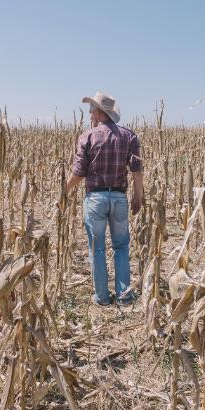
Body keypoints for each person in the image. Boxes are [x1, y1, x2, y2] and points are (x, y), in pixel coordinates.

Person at [66, 91, 144, 306]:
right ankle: (124, 295)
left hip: (96, 199)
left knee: (97, 248)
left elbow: (79, 172)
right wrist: (139, 195)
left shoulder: (86, 137)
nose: (90, 114)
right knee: (121, 247)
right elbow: (137, 170)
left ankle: (101, 297)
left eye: (92, 110)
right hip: (119, 198)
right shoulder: (129, 136)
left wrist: (65, 190)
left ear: (100, 113)